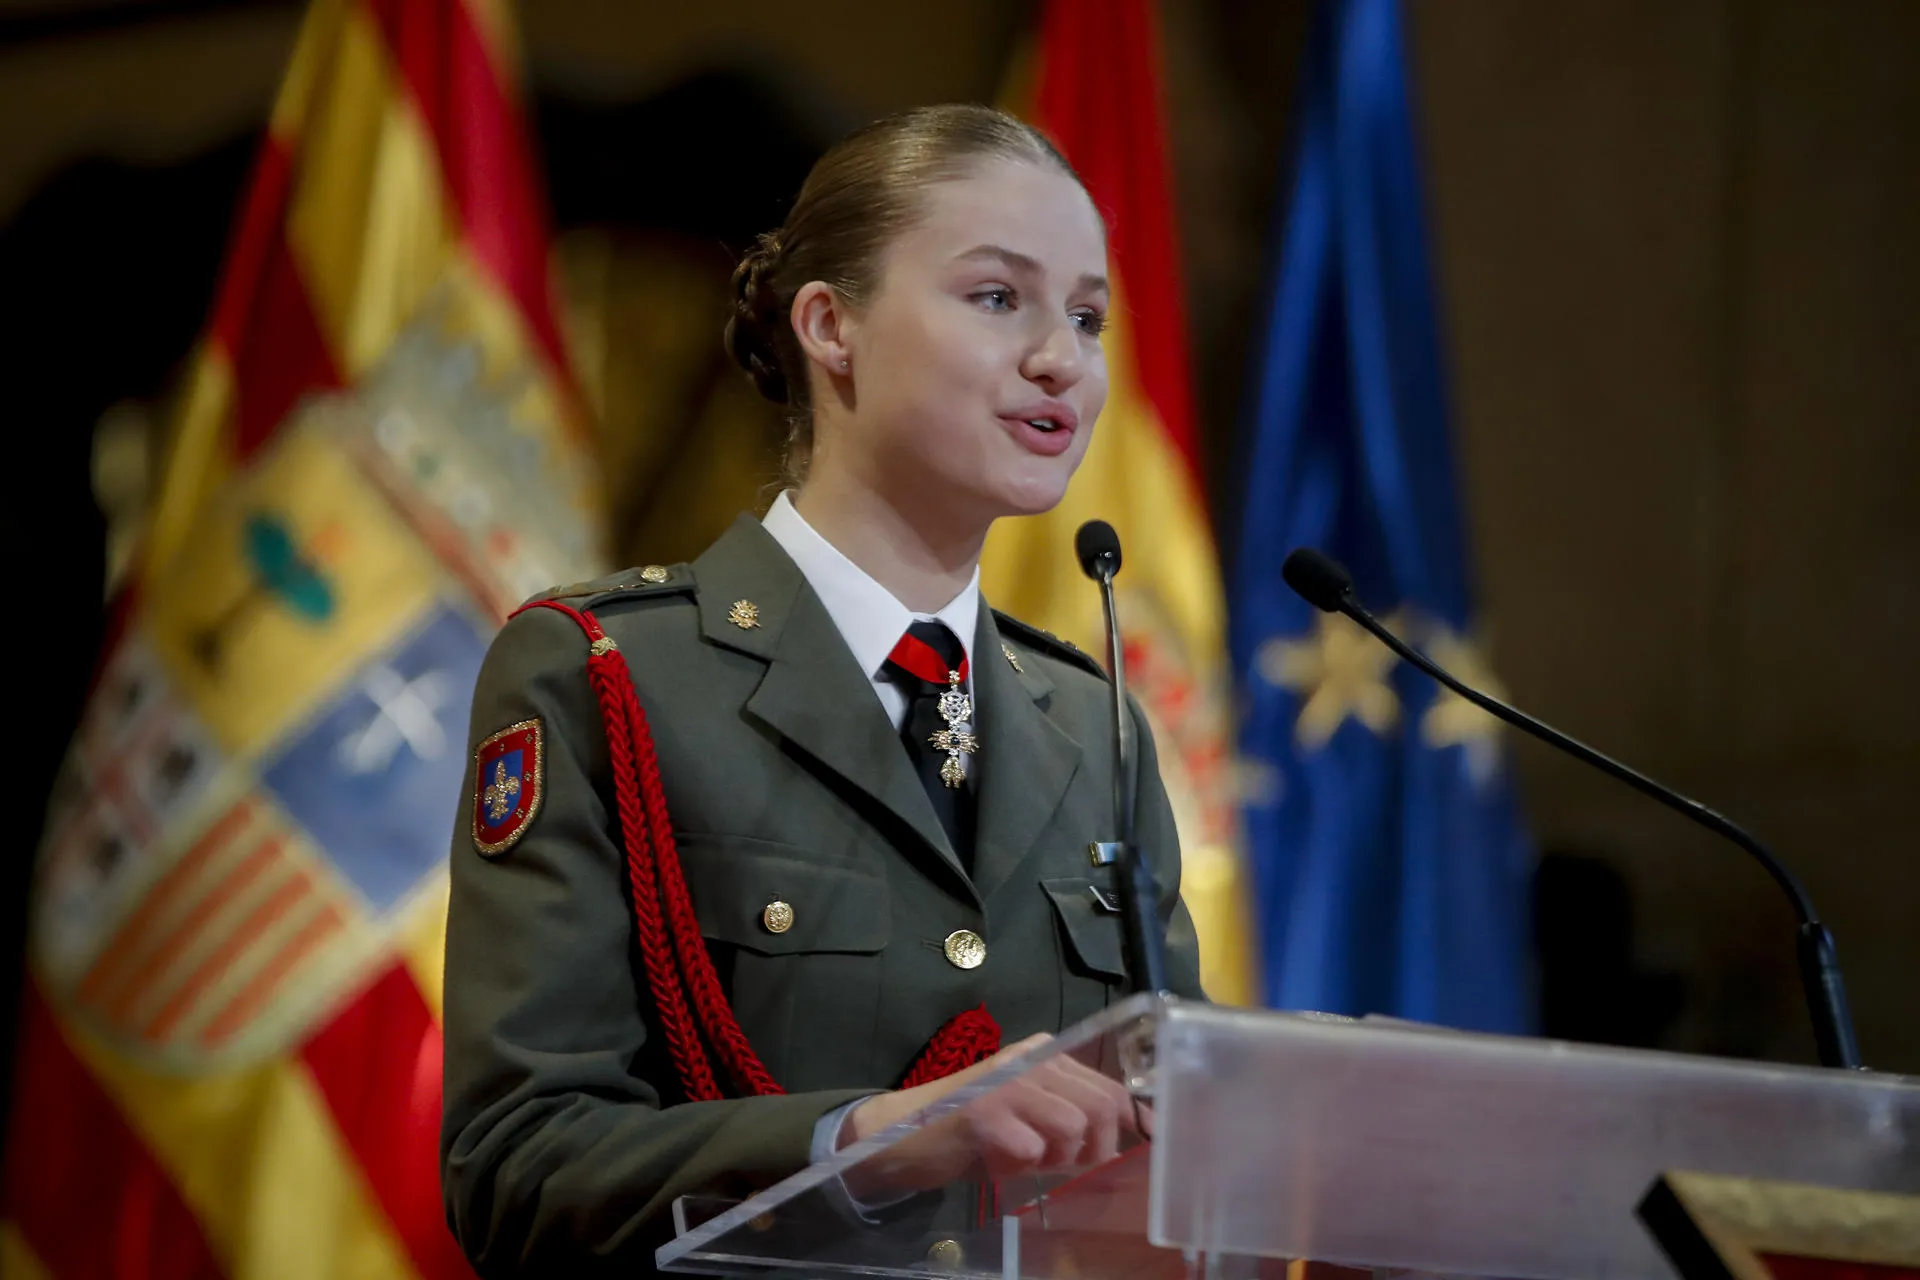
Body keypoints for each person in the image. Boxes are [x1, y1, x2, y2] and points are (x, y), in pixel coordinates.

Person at [439, 102, 1207, 1277]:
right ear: (830, 325)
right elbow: (517, 1169)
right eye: (998, 297)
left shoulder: (1094, 730)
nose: (1063, 356)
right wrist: (865, 1142)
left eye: (1090, 315)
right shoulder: (607, 676)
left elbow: (1180, 1143)